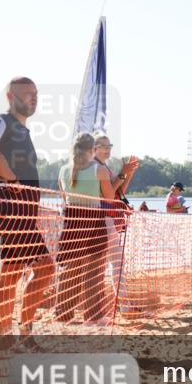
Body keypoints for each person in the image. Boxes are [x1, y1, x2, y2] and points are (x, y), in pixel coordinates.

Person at [0, 77, 56, 339]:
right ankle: (8, 337)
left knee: (37, 268)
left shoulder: (23, 130)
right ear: (11, 97)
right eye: (26, 94)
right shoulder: (4, 121)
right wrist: (10, 178)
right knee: (20, 269)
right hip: (8, 210)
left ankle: (20, 333)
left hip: (23, 213)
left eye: (35, 94)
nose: (32, 98)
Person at [56, 132, 116, 324]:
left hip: (72, 221)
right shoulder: (99, 170)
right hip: (93, 221)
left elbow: (63, 197)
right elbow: (110, 199)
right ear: (92, 150)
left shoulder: (63, 170)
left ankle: (63, 314)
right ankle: (93, 316)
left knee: (70, 271)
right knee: (94, 271)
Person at [93, 133, 139, 291]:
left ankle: (121, 302)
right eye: (103, 146)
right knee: (116, 261)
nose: (108, 149)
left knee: (114, 261)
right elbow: (110, 196)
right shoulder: (96, 167)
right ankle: (124, 303)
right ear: (94, 148)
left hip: (111, 219)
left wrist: (128, 174)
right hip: (104, 218)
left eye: (109, 146)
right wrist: (122, 173)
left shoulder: (105, 167)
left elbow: (120, 192)